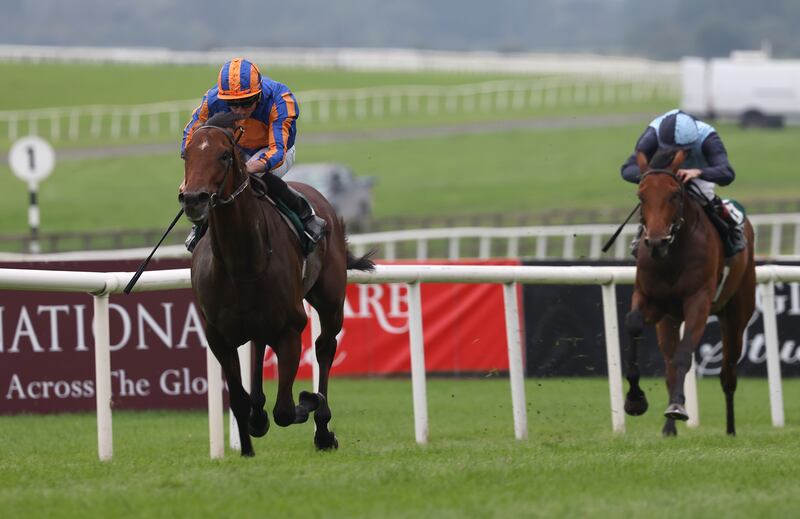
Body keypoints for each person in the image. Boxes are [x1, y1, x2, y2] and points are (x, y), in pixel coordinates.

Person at [180, 57, 325, 252]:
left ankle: (306, 215)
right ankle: (200, 225)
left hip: (275, 149)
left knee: (254, 177)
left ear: (258, 96)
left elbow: (276, 153)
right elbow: (191, 137)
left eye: (246, 102)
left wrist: (243, 169)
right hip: (237, 148)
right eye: (232, 104)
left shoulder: (280, 100)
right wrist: (190, 176)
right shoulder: (212, 100)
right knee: (215, 181)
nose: (239, 110)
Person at [620, 109, 746, 257]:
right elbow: (627, 169)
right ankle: (643, 233)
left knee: (706, 196)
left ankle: (731, 230)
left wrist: (698, 172)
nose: (674, 155)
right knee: (655, 200)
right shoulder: (652, 135)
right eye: (668, 149)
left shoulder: (707, 137)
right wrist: (654, 177)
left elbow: (727, 173)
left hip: (697, 174)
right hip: (662, 175)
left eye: (679, 151)